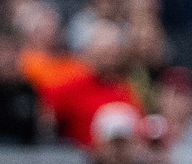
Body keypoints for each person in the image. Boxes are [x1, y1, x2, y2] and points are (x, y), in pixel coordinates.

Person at [45, 20, 143, 148]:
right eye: (103, 52)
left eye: (112, 52)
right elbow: (46, 121)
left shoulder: (127, 90)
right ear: (90, 51)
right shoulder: (70, 89)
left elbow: (140, 128)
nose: (109, 59)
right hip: (80, 163)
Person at [71, 102, 165, 164]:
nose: (119, 151)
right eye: (113, 144)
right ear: (101, 146)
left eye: (124, 142)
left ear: (136, 142)